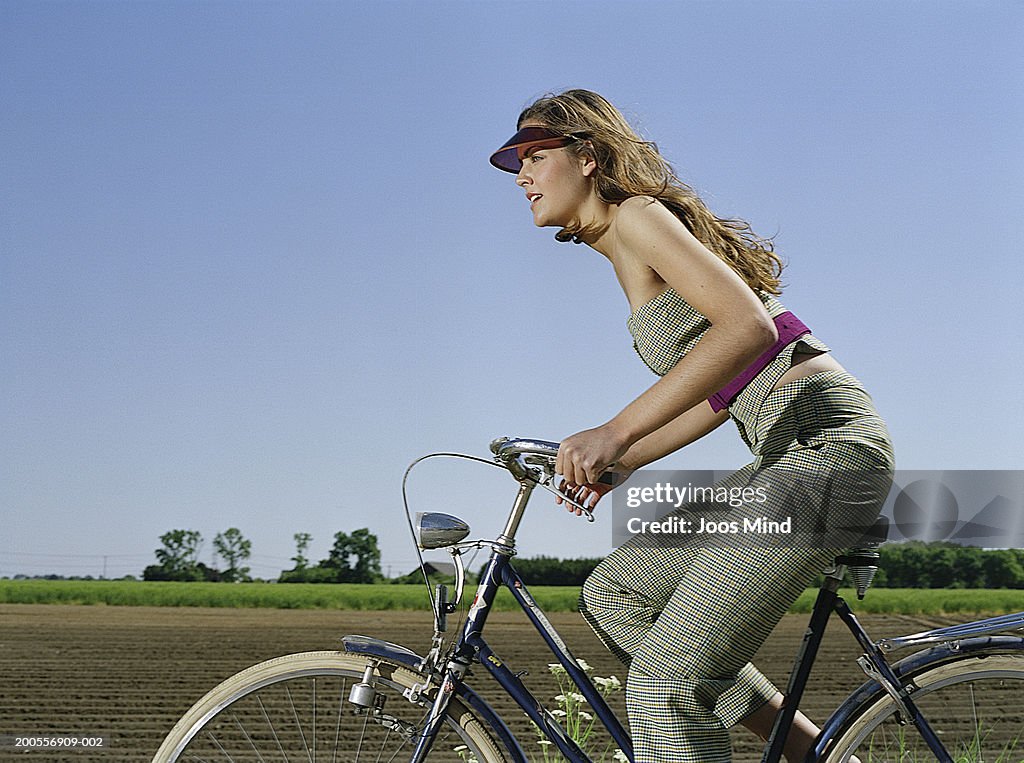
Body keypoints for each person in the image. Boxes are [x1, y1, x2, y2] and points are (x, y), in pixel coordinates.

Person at [489, 89, 894, 763]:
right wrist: (633, 457)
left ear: (588, 156)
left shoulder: (639, 216)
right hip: (786, 454)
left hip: (825, 451)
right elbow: (725, 384)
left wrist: (614, 432)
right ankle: (818, 754)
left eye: (534, 154)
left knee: (664, 679)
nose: (521, 174)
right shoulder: (624, 243)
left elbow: (749, 328)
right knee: (616, 595)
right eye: (514, 163)